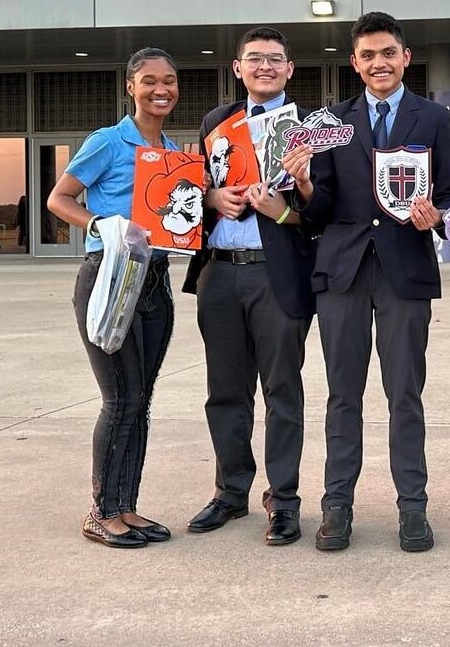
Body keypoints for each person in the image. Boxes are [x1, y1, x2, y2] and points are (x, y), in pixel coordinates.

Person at [285, 11, 450, 553]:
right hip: (342, 270)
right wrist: (305, 186)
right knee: (343, 395)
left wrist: (442, 216)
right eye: (367, 55)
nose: (378, 63)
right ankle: (336, 505)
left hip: (405, 269)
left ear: (405, 57)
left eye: (388, 52)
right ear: (354, 63)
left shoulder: (432, 118)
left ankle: (413, 507)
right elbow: (321, 210)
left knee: (404, 393)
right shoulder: (331, 122)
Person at [182, 27, 317, 546]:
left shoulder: (307, 128)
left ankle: (283, 500)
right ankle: (231, 491)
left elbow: (322, 210)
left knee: (283, 391)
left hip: (277, 274)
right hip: (220, 271)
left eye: (276, 59)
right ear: (237, 68)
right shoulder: (217, 122)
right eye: (254, 59)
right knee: (225, 391)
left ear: (290, 70)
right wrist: (214, 198)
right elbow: (195, 189)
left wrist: (293, 196)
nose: (265, 67)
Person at [46, 47, 180, 548]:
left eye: (169, 81)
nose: (160, 89)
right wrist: (99, 222)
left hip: (156, 279)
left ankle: (126, 505)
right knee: (119, 399)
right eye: (149, 81)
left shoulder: (169, 150)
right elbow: (58, 199)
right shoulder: (107, 141)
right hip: (110, 274)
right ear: (131, 87)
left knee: (141, 402)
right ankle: (101, 512)